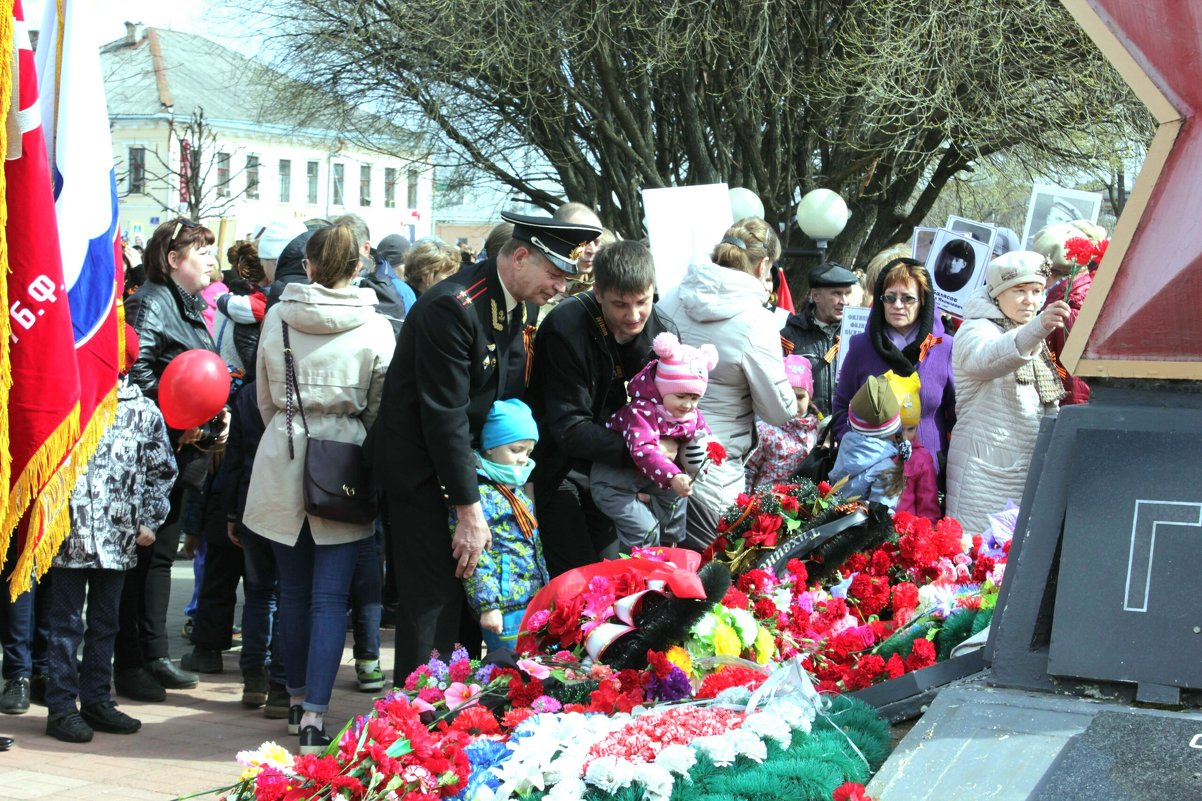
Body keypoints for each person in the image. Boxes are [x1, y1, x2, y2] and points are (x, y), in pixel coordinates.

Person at [370, 211, 602, 679]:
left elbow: (500, 396)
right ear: (520, 257)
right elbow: (445, 419)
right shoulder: (452, 307)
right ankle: (415, 720)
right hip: (421, 475)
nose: (560, 288)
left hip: (465, 470)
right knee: (433, 603)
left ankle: (456, 714)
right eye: (555, 275)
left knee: (468, 604)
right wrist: (469, 510)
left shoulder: (515, 301)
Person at [242, 223, 394, 754]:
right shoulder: (376, 326)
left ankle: (295, 700)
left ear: (307, 266)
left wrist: (289, 429)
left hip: (282, 453)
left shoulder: (279, 315)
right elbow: (379, 409)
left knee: (293, 594)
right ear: (359, 267)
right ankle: (313, 717)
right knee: (332, 599)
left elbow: (263, 396)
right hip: (344, 463)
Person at [45, 326, 178, 743]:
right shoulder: (70, 400)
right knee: (65, 625)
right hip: (72, 536)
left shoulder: (143, 411)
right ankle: (62, 706)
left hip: (119, 538)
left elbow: (162, 471)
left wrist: (150, 520)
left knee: (105, 623)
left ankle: (97, 699)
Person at [120, 217, 226, 701]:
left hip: (181, 454)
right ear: (172, 259)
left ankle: (152, 653)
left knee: (159, 557)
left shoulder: (186, 304)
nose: (211, 259)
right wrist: (176, 423)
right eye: (201, 251)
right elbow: (137, 372)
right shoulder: (150, 302)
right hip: (155, 454)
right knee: (144, 561)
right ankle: (138, 659)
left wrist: (210, 419)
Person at [528, 239, 676, 576]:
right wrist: (646, 452)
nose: (634, 316)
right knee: (576, 581)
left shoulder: (663, 332)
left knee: (609, 575)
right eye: (620, 305)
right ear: (598, 293)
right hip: (562, 468)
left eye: (642, 302)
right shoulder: (566, 329)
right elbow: (569, 429)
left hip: (615, 469)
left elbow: (676, 409)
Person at [658, 218, 796, 548]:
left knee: (656, 566)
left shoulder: (672, 297)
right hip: (713, 466)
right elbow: (780, 411)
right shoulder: (756, 320)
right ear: (764, 264)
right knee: (709, 574)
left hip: (655, 453)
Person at [945, 251, 1071, 534]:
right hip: (983, 471)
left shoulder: (1022, 328)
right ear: (997, 294)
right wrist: (1039, 327)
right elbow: (989, 358)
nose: (1031, 300)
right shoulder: (976, 328)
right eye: (1020, 290)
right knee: (977, 564)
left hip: (1021, 470)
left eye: (1038, 291)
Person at [591, 332, 718, 551]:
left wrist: (703, 456)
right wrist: (673, 475)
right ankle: (639, 569)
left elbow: (703, 434)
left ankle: (669, 547)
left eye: (694, 398)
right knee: (645, 530)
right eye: (680, 396)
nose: (688, 405)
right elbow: (645, 450)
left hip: (649, 478)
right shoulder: (641, 411)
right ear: (662, 388)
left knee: (677, 497)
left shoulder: (688, 414)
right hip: (613, 484)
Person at [831, 257, 955, 476]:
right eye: (890, 298)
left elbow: (957, 416)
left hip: (928, 476)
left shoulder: (944, 348)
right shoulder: (861, 346)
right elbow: (842, 407)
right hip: (868, 476)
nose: (897, 305)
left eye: (907, 298)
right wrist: (853, 448)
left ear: (923, 301)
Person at [455, 400, 548, 651]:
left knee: (529, 672)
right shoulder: (480, 496)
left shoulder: (515, 491)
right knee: (508, 672)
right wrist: (488, 606)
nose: (522, 460)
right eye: (516, 450)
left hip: (530, 602)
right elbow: (476, 558)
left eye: (528, 452)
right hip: (504, 607)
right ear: (489, 449)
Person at [1032, 219, 1107, 405]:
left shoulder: (1066, 311)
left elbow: (1070, 377)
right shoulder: (1083, 297)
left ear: (1047, 272)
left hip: (1066, 410)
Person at [781, 261, 859, 417]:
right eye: (836, 293)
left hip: (846, 429)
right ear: (815, 296)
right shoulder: (789, 337)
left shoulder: (858, 335)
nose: (844, 301)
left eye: (847, 293)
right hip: (804, 431)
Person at [829, 375, 906, 507]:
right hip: (860, 526)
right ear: (894, 427)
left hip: (833, 522)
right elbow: (881, 517)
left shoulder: (847, 444)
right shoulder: (886, 468)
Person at [745, 355, 820, 489]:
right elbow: (749, 468)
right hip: (766, 503)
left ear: (809, 398)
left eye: (800, 397)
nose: (794, 403)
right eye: (789, 395)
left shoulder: (818, 430)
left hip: (803, 505)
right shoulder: (765, 429)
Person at [888, 371, 940, 522]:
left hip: (905, 535)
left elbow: (928, 505)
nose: (905, 436)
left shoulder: (921, 458)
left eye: (910, 429)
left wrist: (926, 534)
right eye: (899, 429)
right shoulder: (878, 451)